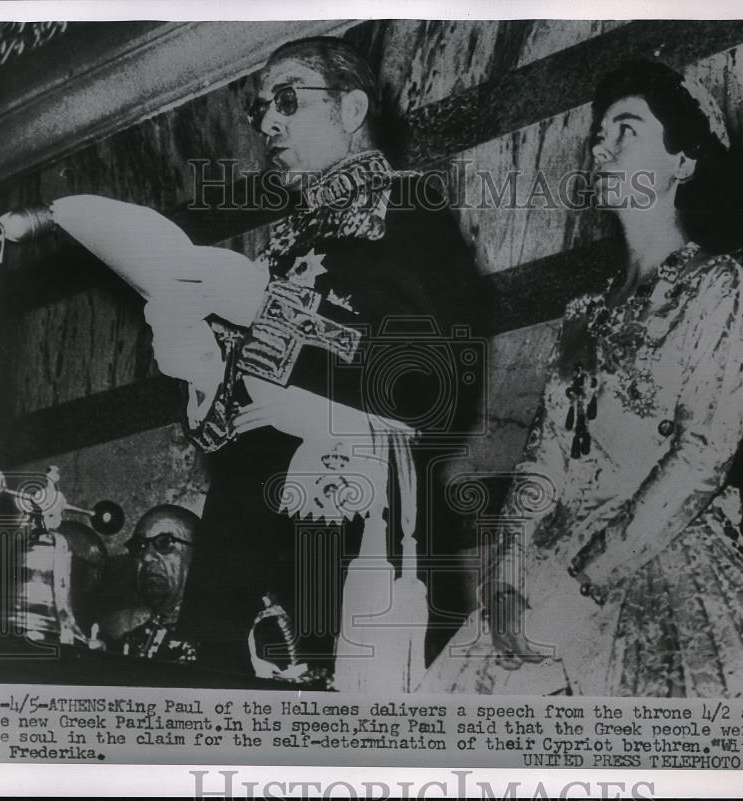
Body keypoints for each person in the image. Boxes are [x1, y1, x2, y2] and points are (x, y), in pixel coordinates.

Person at [419, 60, 743, 698]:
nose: (601, 144)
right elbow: (542, 461)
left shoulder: (716, 286)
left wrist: (587, 579)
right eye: (599, 132)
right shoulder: (583, 313)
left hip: (664, 555)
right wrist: (508, 574)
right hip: (553, 557)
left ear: (682, 162)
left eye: (627, 129)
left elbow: (700, 456)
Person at [173, 36, 486, 690]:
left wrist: (291, 342)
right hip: (250, 561)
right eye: (261, 109)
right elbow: (237, 430)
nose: (268, 123)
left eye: (287, 99)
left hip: (354, 543)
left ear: (350, 109)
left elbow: (431, 385)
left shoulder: (406, 215)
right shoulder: (283, 245)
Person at [107, 504, 200, 663]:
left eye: (164, 542)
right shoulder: (127, 643)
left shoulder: (217, 646)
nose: (146, 557)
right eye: (139, 546)